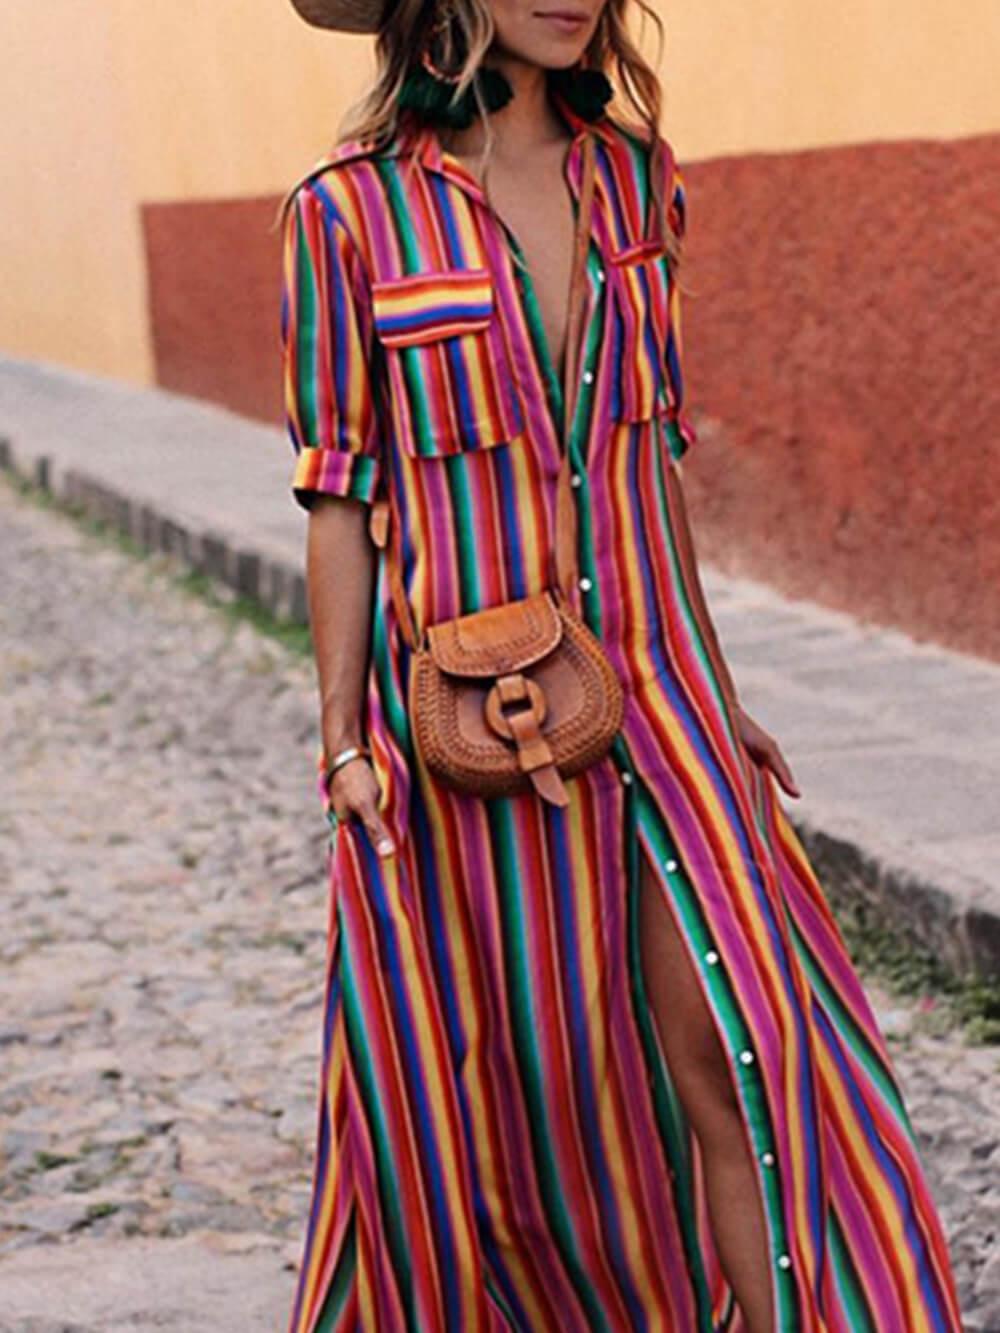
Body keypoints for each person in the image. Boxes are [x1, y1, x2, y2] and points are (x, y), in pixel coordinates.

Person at [277, 0, 965, 1329]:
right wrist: (345, 739)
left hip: (665, 701)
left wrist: (720, 685)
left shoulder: (637, 179)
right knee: (531, 1107)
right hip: (478, 731)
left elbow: (650, 469)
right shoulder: (348, 217)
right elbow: (338, 502)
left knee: (746, 1049)